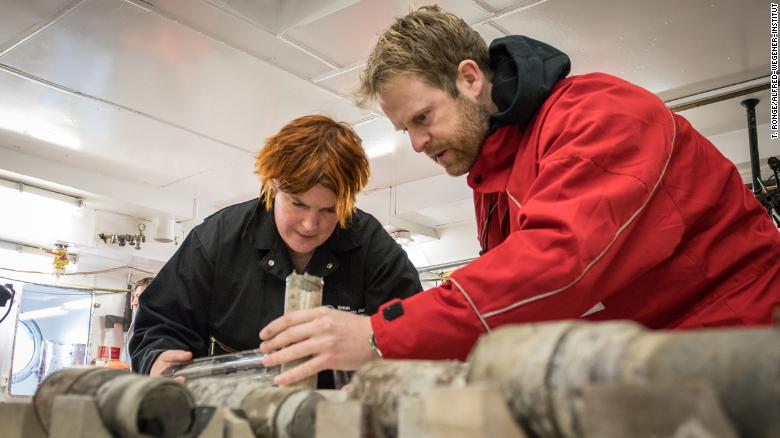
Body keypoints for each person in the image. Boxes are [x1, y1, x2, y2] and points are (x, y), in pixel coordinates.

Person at [258, 5, 780, 386]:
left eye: (422, 118)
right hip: (658, 365)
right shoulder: (495, 176)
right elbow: (513, 303)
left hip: (742, 348)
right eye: (405, 131)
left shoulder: (598, 114)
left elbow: (557, 266)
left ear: (469, 78)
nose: (416, 144)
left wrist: (379, 335)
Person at [130, 115, 422, 388]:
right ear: (273, 186)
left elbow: (416, 335)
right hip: (234, 415)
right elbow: (160, 322)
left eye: (329, 210)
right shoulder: (217, 240)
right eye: (298, 204)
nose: (310, 224)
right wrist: (156, 358)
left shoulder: (374, 250)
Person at [123, 276, 154, 368]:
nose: (133, 303)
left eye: (138, 296)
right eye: (134, 297)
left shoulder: (157, 325)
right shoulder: (136, 323)